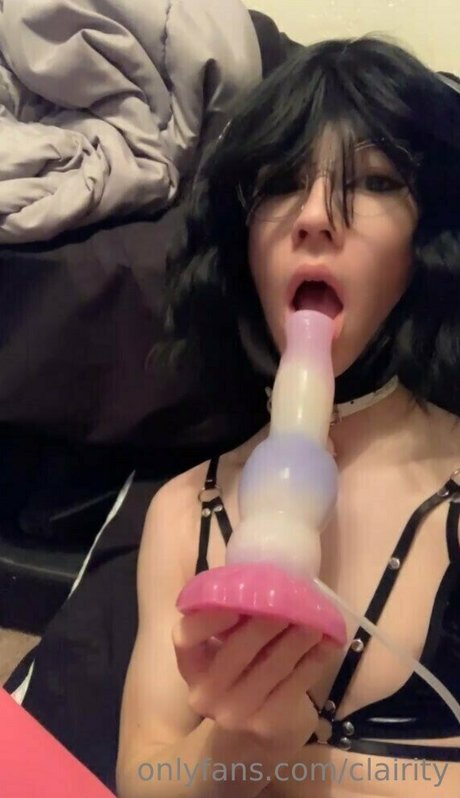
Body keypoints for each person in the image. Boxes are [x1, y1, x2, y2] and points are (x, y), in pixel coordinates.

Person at [116, 36, 460, 798]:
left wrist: (294, 768)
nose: (313, 217)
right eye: (279, 184)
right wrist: (234, 748)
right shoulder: (185, 512)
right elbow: (144, 776)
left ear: (429, 238)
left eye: (375, 181)